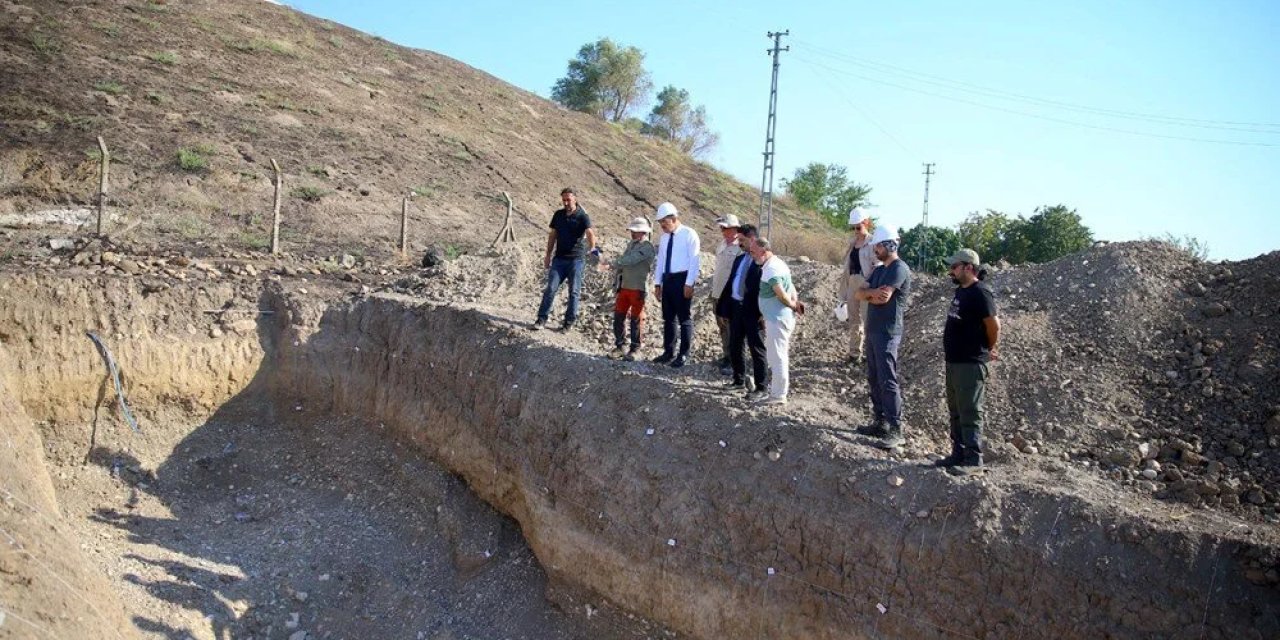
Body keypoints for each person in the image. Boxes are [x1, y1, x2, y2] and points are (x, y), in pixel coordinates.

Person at [937, 248, 1000, 476]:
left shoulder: (980, 293)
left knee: (970, 411)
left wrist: (989, 347)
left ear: (969, 267)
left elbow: (993, 326)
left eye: (954, 267)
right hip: (954, 361)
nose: (951, 271)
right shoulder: (961, 292)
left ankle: (974, 459)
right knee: (956, 410)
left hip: (970, 362)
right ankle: (958, 453)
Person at [854, 224, 911, 449]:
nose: (874, 250)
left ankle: (896, 428)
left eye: (877, 246)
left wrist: (870, 295)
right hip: (873, 330)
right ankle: (880, 422)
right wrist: (870, 294)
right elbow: (859, 293)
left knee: (888, 380)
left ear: (889, 245)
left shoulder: (899, 269)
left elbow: (884, 298)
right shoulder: (879, 271)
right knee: (874, 378)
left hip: (888, 332)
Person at [533, 188, 596, 331]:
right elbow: (553, 235)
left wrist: (593, 248)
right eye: (564, 200)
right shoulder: (558, 215)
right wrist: (548, 255)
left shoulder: (582, 216)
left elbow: (590, 233)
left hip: (576, 260)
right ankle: (541, 319)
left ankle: (568, 323)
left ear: (575, 199)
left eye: (568, 199)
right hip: (559, 260)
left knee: (574, 291)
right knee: (550, 288)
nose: (566, 203)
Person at [753, 238, 805, 405]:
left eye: (754, 252)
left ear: (763, 251)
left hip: (778, 319)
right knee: (775, 356)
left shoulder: (772, 269)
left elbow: (782, 294)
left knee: (778, 357)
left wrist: (792, 305)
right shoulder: (775, 264)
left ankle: (778, 395)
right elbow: (792, 287)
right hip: (774, 318)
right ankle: (776, 392)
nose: (752, 255)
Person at [652, 202, 700, 368]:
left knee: (684, 318)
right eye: (660, 223)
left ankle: (684, 354)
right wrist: (658, 283)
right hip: (668, 279)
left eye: (664, 223)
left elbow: (694, 261)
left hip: (682, 278)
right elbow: (661, 261)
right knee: (668, 318)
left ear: (673, 219)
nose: (662, 226)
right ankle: (668, 352)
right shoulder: (665, 238)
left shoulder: (689, 234)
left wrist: (689, 283)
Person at [719, 225, 766, 392]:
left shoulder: (762, 261)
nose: (739, 243)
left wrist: (763, 313)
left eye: (742, 240)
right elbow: (731, 284)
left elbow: (765, 290)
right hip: (736, 309)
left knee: (757, 349)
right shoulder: (739, 259)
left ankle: (761, 388)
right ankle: (738, 381)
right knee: (735, 345)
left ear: (753, 239)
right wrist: (724, 310)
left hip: (754, 312)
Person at [604, 217, 657, 360]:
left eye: (635, 231)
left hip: (638, 288)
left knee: (636, 318)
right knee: (619, 316)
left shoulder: (647, 247)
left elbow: (630, 259)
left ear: (642, 232)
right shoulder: (631, 244)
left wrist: (614, 263)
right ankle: (620, 346)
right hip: (625, 286)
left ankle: (635, 349)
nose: (632, 233)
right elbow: (625, 260)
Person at [836, 208, 879, 363]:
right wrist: (843, 294)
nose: (855, 230)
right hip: (853, 282)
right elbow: (846, 269)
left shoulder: (873, 243)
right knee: (854, 320)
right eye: (853, 227)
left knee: (868, 320)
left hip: (866, 283)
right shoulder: (852, 244)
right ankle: (855, 353)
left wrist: (871, 286)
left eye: (858, 227)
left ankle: (871, 354)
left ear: (866, 223)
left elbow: (877, 266)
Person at [709, 214, 744, 374]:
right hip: (717, 293)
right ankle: (727, 355)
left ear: (734, 228)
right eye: (721, 228)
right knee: (722, 327)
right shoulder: (722, 245)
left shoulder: (740, 248)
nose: (722, 231)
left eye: (725, 228)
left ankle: (734, 362)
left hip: (730, 295)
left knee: (733, 329)